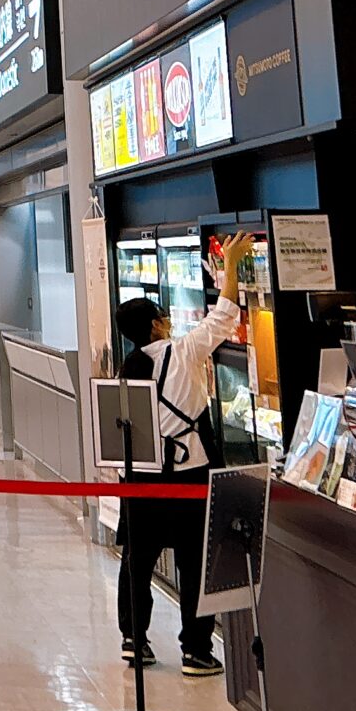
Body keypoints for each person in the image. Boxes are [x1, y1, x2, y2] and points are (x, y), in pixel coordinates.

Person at [114, 235, 254, 677]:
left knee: (137, 558)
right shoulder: (186, 351)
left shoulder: (127, 368)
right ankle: (195, 649)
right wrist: (230, 265)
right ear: (157, 325)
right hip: (190, 474)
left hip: (142, 475)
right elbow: (225, 314)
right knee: (195, 558)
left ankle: (134, 640)